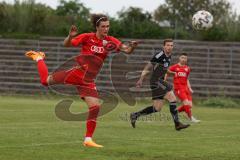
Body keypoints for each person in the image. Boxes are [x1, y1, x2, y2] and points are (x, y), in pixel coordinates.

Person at [25, 14, 138, 148]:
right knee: (45, 81)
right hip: (77, 73)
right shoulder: (87, 37)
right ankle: (38, 57)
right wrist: (70, 36)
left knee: (95, 107)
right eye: (103, 27)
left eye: (108, 26)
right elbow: (66, 44)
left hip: (88, 80)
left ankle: (88, 140)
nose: (106, 29)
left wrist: (132, 46)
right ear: (97, 27)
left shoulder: (110, 40)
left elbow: (127, 50)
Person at [130, 39, 190, 131]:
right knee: (172, 97)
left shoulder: (169, 56)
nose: (170, 47)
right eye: (168, 45)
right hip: (156, 81)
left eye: (171, 45)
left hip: (159, 82)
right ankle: (177, 124)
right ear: (164, 46)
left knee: (157, 108)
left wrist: (172, 73)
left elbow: (164, 69)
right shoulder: (159, 55)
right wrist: (140, 79)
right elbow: (148, 66)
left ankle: (135, 115)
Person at [166, 53, 200, 123]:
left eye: (185, 58)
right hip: (179, 88)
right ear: (179, 58)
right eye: (182, 58)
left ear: (187, 60)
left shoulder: (187, 68)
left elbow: (187, 79)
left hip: (186, 88)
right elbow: (167, 73)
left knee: (190, 105)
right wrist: (164, 81)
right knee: (186, 103)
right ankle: (191, 118)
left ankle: (175, 112)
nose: (183, 59)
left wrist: (190, 88)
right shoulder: (174, 67)